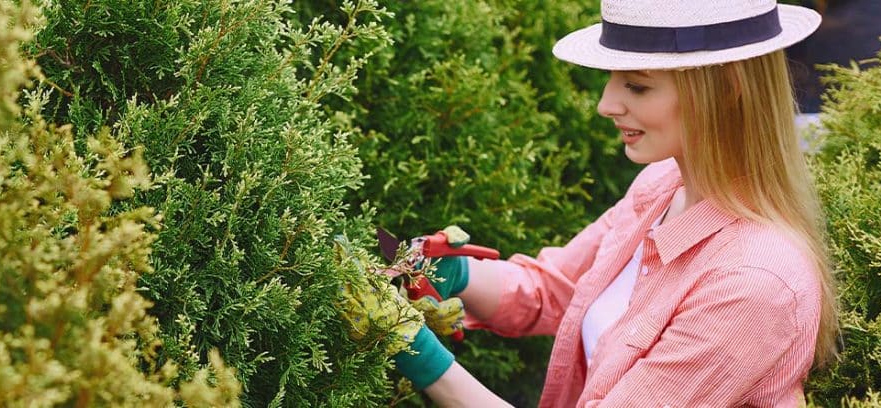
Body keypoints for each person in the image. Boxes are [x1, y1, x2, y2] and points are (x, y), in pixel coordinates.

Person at [338, 0, 842, 406]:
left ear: (727, 91)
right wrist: (456, 277)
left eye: (637, 85)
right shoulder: (661, 186)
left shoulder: (752, 284)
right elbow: (556, 292)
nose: (606, 104)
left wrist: (422, 358)